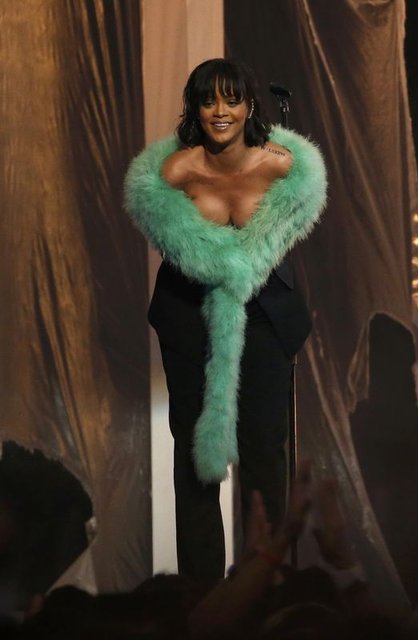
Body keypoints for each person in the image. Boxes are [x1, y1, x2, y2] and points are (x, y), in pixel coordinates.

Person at [125, 58, 327, 586]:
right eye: (208, 100)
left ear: (249, 106)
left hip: (264, 318)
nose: (220, 111)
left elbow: (295, 212)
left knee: (265, 456)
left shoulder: (281, 164)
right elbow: (169, 232)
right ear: (194, 108)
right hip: (190, 319)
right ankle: (202, 599)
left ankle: (265, 590)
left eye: (231, 99)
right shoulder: (176, 172)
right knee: (197, 463)